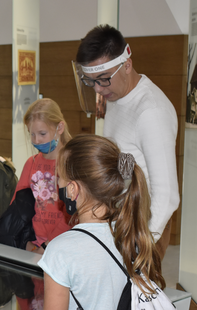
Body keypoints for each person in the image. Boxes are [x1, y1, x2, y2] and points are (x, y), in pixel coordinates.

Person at [37, 135, 166, 310]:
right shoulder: (133, 236)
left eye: (59, 178)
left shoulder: (62, 249)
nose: (57, 184)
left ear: (73, 189)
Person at [75, 25, 180, 258]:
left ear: (127, 65)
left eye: (104, 79)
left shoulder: (151, 112)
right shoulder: (117, 96)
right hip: (122, 220)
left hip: (143, 227)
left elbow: (167, 196)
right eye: (91, 81)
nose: (98, 89)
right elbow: (125, 160)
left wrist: (141, 245)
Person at [13, 98, 73, 255]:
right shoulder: (31, 163)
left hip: (63, 246)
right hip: (34, 244)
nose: (36, 140)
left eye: (42, 134)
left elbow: (73, 214)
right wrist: (24, 241)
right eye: (32, 134)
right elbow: (17, 206)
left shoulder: (71, 163)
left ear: (60, 128)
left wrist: (46, 246)